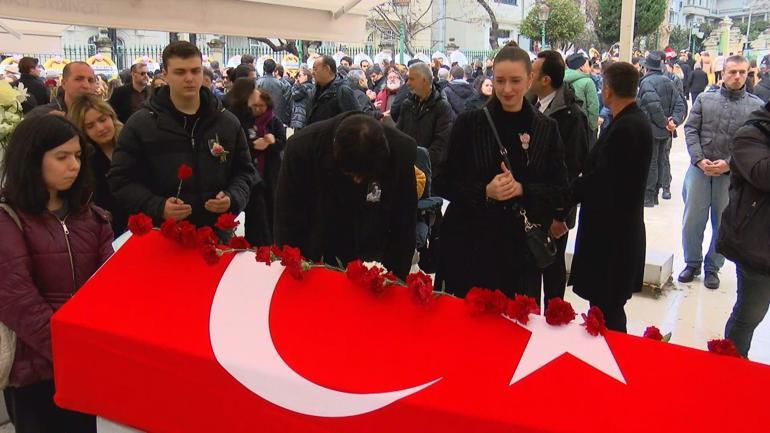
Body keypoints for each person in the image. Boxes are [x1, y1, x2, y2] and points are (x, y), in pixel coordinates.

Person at [0, 115, 113, 433]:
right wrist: (68, 351)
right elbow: (18, 301)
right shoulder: (9, 218)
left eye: (77, 156)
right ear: (32, 159)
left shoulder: (91, 216)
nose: (73, 165)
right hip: (34, 371)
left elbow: (108, 285)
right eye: (61, 157)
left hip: (88, 361)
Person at [434, 43, 568, 299]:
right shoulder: (469, 123)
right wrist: (484, 191)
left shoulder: (546, 128)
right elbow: (441, 180)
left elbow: (560, 190)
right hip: (470, 248)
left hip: (520, 257)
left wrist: (522, 189)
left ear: (530, 79)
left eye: (515, 81)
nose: (507, 89)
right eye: (500, 81)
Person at [108, 41, 258, 229]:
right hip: (162, 232)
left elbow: (245, 172)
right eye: (180, 72)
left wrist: (232, 197)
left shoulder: (227, 122)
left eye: (195, 71)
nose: (189, 78)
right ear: (165, 74)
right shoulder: (140, 124)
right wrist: (158, 206)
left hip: (215, 234)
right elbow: (120, 180)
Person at [274, 113, 417, 279]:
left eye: (364, 177)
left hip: (372, 258)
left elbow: (404, 225)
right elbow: (286, 220)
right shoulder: (302, 149)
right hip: (317, 253)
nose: (357, 181)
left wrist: (395, 280)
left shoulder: (401, 151)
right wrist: (293, 272)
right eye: (352, 174)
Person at [568, 62, 653, 332]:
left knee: (608, 311)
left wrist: (563, 196)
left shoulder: (627, 127)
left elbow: (601, 180)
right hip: (616, 233)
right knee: (604, 307)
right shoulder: (628, 120)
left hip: (612, 238)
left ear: (607, 90)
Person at [680, 55, 763, 290]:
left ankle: (713, 267)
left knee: (723, 222)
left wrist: (729, 163)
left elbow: (755, 143)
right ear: (722, 73)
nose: (737, 76)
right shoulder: (705, 99)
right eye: (732, 72)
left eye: (742, 72)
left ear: (748, 75)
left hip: (731, 176)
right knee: (692, 220)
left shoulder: (756, 107)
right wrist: (698, 159)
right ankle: (692, 263)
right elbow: (691, 129)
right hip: (699, 170)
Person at [528, 50, 590, 303]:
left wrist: (560, 215)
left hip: (554, 211)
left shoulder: (571, 117)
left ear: (545, 80)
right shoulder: (531, 106)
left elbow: (573, 170)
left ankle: (554, 321)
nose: (528, 76)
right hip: (530, 206)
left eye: (532, 72)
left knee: (552, 272)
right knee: (529, 276)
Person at [717, 100, 770, 358]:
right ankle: (730, 366)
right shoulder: (751, 133)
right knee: (749, 316)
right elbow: (763, 175)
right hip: (757, 248)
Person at [227, 79, 285, 245]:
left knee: (271, 207)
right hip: (251, 174)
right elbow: (239, 145)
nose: (258, 109)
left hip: (270, 171)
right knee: (256, 212)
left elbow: (282, 142)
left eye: (262, 106)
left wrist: (272, 142)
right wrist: (253, 145)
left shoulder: (273, 121)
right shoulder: (242, 119)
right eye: (255, 106)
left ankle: (272, 241)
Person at [67, 94, 129, 236]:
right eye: (90, 126)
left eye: (102, 119)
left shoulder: (130, 142)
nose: (100, 128)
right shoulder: (84, 160)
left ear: (111, 116)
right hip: (109, 230)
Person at [637, 51, 686, 206]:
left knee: (651, 162)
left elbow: (653, 105)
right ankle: (656, 193)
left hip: (652, 128)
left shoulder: (646, 83)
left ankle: (649, 196)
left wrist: (666, 122)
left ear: (646, 68)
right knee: (661, 161)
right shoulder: (668, 81)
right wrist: (673, 122)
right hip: (665, 131)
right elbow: (680, 104)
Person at [396, 62, 454, 172]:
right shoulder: (407, 104)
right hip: (407, 169)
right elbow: (398, 134)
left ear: (424, 80)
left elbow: (441, 144)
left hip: (431, 172)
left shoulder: (442, 107)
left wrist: (420, 164)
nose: (407, 83)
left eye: (411, 79)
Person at [306, 55, 361, 125]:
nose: (312, 72)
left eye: (315, 69)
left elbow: (356, 121)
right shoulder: (313, 91)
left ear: (327, 69)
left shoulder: (343, 90)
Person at [29, 62, 97, 115]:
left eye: (90, 80)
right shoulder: (41, 115)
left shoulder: (101, 113)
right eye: (79, 79)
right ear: (64, 83)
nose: (86, 85)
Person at [565, 53, 600, 149]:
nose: (590, 68)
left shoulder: (562, 79)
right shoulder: (588, 82)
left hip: (567, 124)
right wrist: (593, 127)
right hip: (584, 126)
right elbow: (593, 106)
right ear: (581, 67)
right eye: (588, 65)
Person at [256, 59, 291, 125]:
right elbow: (287, 100)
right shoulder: (281, 84)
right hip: (278, 117)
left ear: (264, 68)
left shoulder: (258, 83)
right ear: (274, 69)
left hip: (262, 116)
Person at [290, 65, 315, 130]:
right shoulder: (311, 86)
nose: (298, 78)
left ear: (306, 76)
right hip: (305, 118)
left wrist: (295, 85)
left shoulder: (304, 87)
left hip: (301, 119)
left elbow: (294, 95)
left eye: (300, 76)